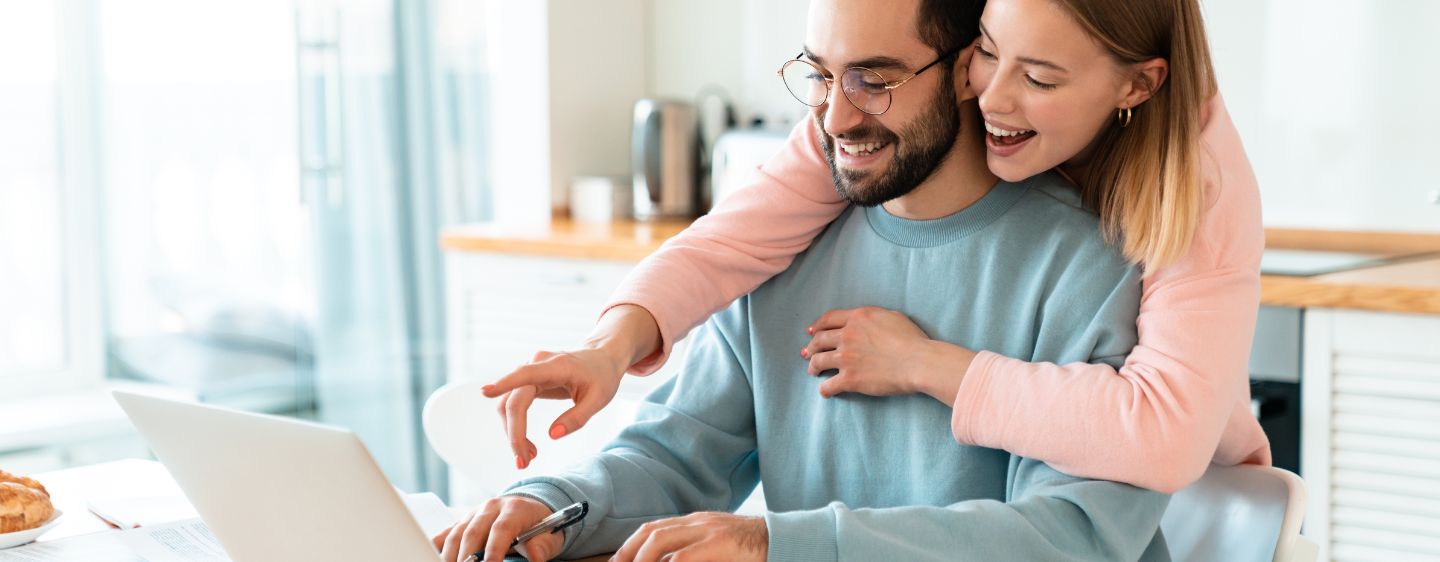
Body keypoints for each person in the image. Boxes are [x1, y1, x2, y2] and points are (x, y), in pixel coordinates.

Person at [434, 1, 1174, 561]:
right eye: (819, 75)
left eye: (873, 81)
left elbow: (1070, 536)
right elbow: (677, 454)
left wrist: (774, 544)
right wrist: (557, 506)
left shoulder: (1088, 262)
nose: (834, 115)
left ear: (965, 70)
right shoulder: (785, 242)